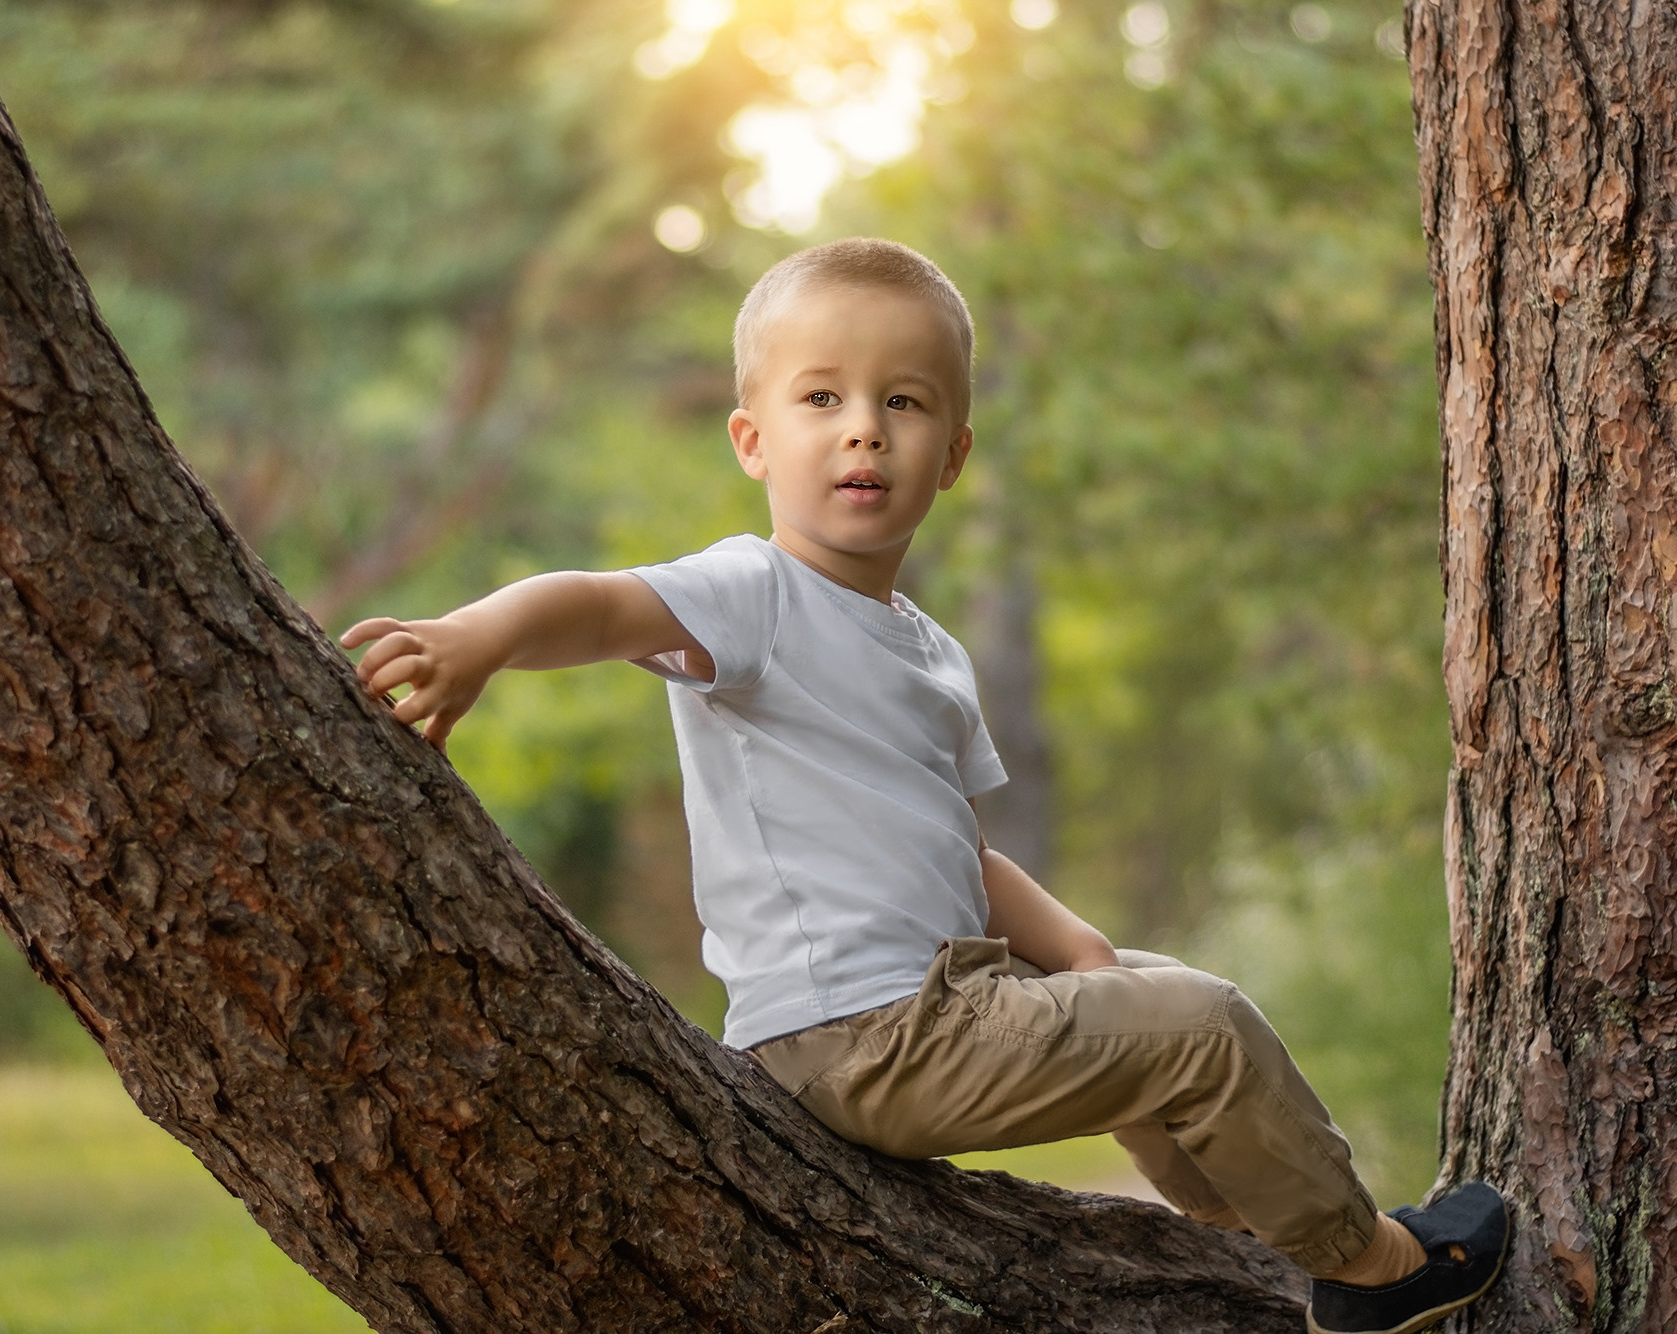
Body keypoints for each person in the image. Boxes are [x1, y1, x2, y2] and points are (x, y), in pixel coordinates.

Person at [341, 238, 1506, 1334]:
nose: (863, 433)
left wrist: (1078, 947)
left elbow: (949, 836)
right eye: (821, 399)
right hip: (854, 1033)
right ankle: (1366, 1270)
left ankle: (1225, 1212)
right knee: (1204, 1020)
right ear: (750, 440)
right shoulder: (752, 591)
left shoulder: (922, 644)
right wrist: (475, 635)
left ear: (950, 453)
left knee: (1137, 982)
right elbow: (596, 603)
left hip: (935, 1006)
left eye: (901, 402)